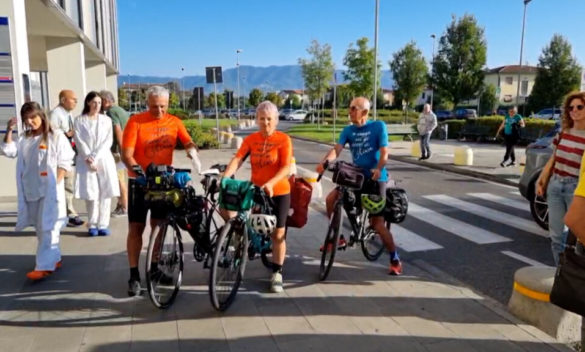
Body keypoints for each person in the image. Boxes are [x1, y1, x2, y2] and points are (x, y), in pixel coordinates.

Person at [122, 85, 198, 296]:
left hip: (164, 183)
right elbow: (126, 154)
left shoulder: (174, 122)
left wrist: (192, 151)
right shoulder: (136, 121)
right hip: (139, 183)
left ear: (168, 104)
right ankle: (134, 275)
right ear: (148, 104)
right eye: (155, 107)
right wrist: (139, 173)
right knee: (136, 229)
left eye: (163, 106)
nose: (159, 111)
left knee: (160, 226)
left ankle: (154, 269)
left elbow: (187, 140)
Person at [316, 97, 403, 275]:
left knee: (377, 224)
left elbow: (385, 152)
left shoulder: (378, 126)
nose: (349, 111)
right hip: (356, 177)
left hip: (376, 179)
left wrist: (379, 168)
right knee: (331, 199)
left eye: (353, 108)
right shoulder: (348, 130)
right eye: (349, 108)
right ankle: (338, 237)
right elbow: (337, 149)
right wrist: (324, 162)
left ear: (364, 112)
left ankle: (394, 258)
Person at [222, 100, 292, 293]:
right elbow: (238, 158)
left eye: (269, 119)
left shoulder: (283, 139)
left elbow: (286, 167)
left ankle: (277, 272)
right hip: (256, 190)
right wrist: (225, 177)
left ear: (276, 120)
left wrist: (271, 182)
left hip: (279, 191)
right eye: (262, 119)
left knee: (278, 234)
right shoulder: (251, 139)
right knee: (231, 210)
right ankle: (241, 241)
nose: (266, 123)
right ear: (257, 119)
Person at [0, 102, 75, 280]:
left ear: (41, 116)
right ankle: (54, 258)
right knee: (41, 228)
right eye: (26, 119)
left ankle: (44, 266)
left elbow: (66, 161)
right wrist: (9, 130)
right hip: (30, 189)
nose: (30, 122)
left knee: (48, 226)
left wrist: (55, 184)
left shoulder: (55, 136)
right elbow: (9, 151)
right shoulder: (25, 139)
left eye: (33, 117)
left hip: (49, 190)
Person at [536, 92, 585, 264]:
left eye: (579, 107)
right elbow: (553, 158)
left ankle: (574, 275)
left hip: (575, 188)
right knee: (556, 236)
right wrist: (542, 179)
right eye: (571, 107)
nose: (574, 110)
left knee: (576, 237)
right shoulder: (564, 132)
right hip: (556, 185)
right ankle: (559, 273)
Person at [74, 91, 120, 237]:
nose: (97, 105)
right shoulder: (79, 120)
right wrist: (88, 157)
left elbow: (108, 141)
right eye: (94, 102)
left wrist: (95, 156)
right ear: (88, 102)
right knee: (91, 192)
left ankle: (103, 224)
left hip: (103, 158)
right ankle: (92, 223)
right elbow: (79, 140)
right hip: (86, 160)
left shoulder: (106, 120)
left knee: (105, 192)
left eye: (99, 103)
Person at [49, 90, 84, 227]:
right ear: (63, 100)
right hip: (61, 156)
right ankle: (69, 213)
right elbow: (52, 134)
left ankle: (67, 212)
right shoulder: (56, 114)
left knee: (69, 185)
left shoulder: (68, 114)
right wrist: (67, 134)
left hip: (70, 154)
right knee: (65, 185)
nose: (75, 102)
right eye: (73, 99)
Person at [100, 90, 130, 217]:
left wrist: (121, 151)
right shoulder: (121, 110)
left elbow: (117, 130)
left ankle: (123, 207)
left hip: (117, 152)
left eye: (100, 101)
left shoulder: (111, 112)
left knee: (118, 180)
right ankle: (121, 205)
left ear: (106, 101)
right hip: (125, 149)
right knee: (121, 178)